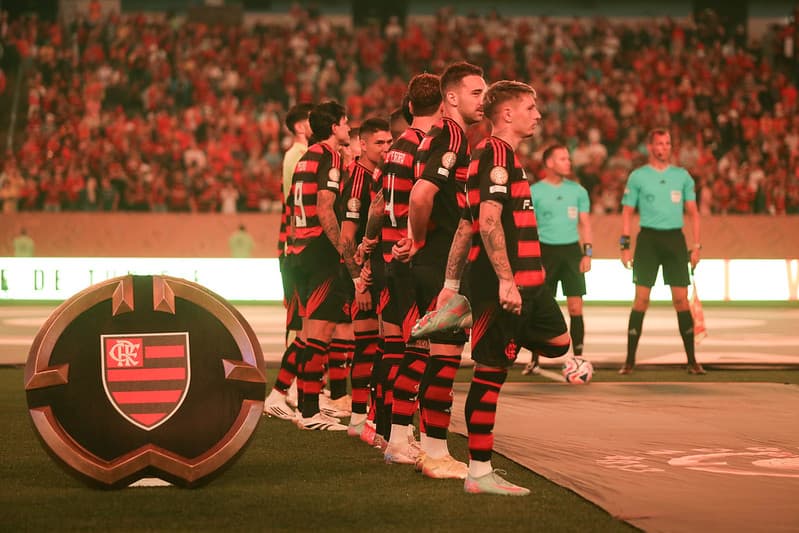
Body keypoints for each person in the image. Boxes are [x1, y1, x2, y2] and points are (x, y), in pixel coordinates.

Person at [434, 80, 570, 495]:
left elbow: (464, 224)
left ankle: (489, 330)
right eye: (530, 107)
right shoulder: (494, 153)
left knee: (560, 344)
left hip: (531, 287)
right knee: (490, 376)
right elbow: (487, 222)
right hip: (503, 289)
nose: (538, 115)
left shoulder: (501, 157)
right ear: (507, 113)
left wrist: (450, 283)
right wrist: (506, 281)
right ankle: (479, 472)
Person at [399, 61, 486, 479]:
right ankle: (435, 452)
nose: (483, 99)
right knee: (446, 359)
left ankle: (429, 447)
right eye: (475, 92)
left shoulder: (433, 134)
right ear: (451, 97)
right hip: (438, 260)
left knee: (438, 357)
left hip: (429, 258)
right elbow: (421, 194)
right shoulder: (452, 133)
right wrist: (420, 241)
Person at [356, 73, 443, 456]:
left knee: (391, 346)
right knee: (419, 349)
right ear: (442, 107)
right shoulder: (429, 147)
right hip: (412, 257)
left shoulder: (394, 150)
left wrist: (370, 242)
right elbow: (424, 200)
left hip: (388, 256)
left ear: (409, 108)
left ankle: (381, 426)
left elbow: (377, 206)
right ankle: (400, 437)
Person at [287, 100, 353, 430]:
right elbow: (326, 208)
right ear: (334, 126)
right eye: (345, 122)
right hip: (320, 249)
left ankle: (306, 408)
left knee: (310, 332)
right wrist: (344, 250)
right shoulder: (330, 157)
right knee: (320, 334)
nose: (349, 127)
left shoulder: (304, 158)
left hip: (300, 249)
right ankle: (310, 412)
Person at [619, 128, 705, 375]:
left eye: (668, 143)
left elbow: (694, 213)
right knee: (641, 300)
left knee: (680, 301)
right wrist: (624, 247)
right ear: (650, 147)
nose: (664, 147)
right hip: (648, 240)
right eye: (659, 143)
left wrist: (696, 246)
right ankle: (630, 360)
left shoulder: (682, 177)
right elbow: (627, 212)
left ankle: (692, 360)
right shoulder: (638, 177)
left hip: (675, 241)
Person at [336, 117, 392, 437]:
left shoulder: (378, 174)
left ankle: (365, 416)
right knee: (368, 344)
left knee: (377, 343)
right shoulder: (359, 178)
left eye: (389, 142)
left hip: (374, 270)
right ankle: (359, 418)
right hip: (362, 275)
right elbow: (347, 238)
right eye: (379, 143)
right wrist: (358, 281)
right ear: (364, 144)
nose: (385, 148)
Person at [523, 144, 593, 374]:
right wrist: (533, 259)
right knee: (539, 307)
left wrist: (587, 253)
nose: (568, 162)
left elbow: (585, 224)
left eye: (568, 158)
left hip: (572, 253)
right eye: (563, 159)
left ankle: (579, 359)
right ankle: (534, 360)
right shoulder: (535, 191)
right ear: (550, 163)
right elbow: (528, 227)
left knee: (575, 307)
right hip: (545, 253)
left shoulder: (578, 191)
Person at [264, 103, 314, 420]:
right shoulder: (298, 155)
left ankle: (296, 386)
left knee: (303, 315)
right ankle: (289, 388)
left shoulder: (298, 154)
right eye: (310, 121)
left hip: (293, 243)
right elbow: (294, 201)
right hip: (295, 244)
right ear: (299, 126)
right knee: (298, 316)